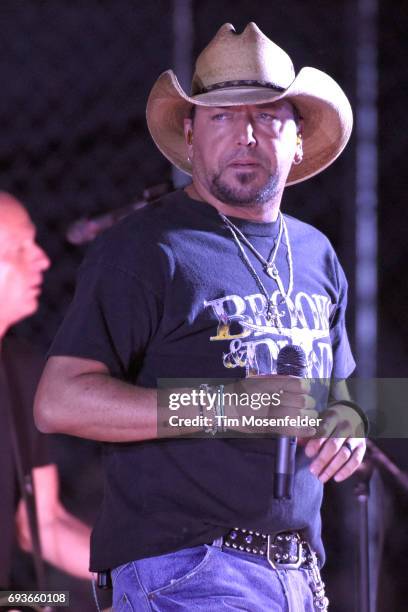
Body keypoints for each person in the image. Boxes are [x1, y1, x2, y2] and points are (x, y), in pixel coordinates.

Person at [35, 23, 367, 611]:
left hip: (298, 573)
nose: (245, 134)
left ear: (297, 139)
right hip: (187, 570)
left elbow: (332, 394)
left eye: (267, 116)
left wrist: (347, 424)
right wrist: (226, 404)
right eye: (221, 117)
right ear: (189, 137)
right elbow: (59, 401)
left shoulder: (316, 253)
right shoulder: (147, 247)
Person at [0, 192, 92, 594]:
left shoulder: (19, 371)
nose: (42, 259)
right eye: (20, 248)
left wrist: (151, 575)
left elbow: (44, 524)